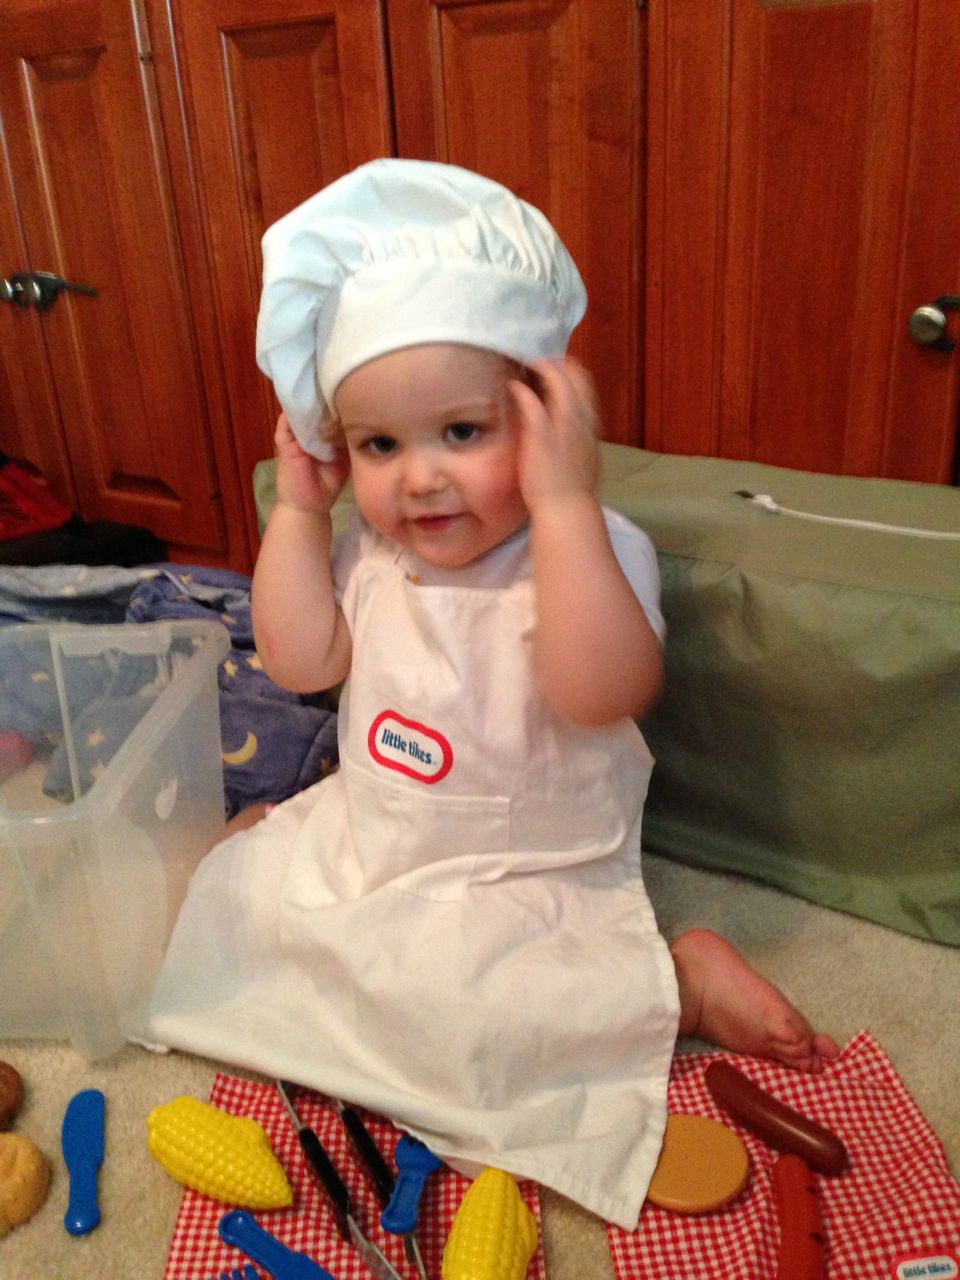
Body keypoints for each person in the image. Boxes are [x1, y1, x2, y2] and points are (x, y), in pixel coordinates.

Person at [147, 160, 837, 1229]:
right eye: (380, 444)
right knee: (228, 918)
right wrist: (300, 514)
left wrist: (563, 506)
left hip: (527, 874)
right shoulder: (372, 548)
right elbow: (299, 662)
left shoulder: (588, 546)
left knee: (485, 1017)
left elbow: (602, 690)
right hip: (381, 843)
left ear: (542, 421)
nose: (419, 477)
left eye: (462, 433)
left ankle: (676, 984)